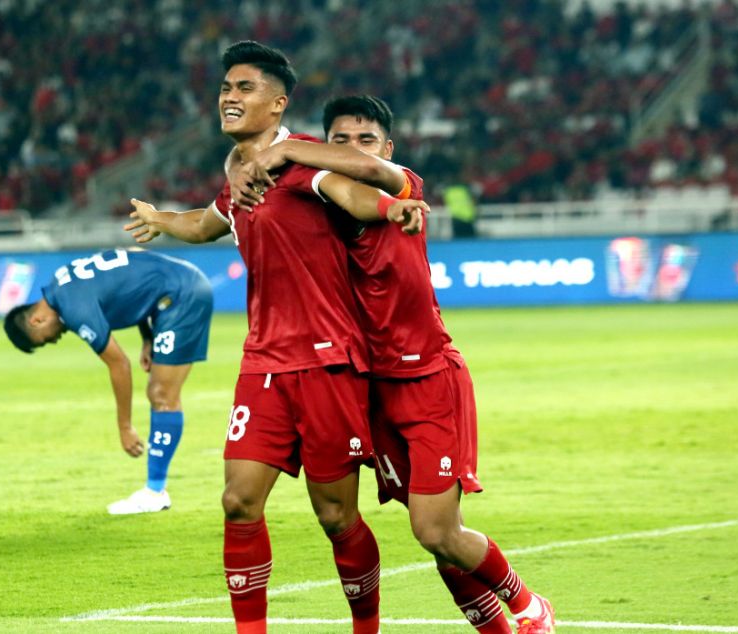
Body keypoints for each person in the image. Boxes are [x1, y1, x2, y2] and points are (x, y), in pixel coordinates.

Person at [124, 42, 425, 634]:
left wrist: (394, 209)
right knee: (237, 501)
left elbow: (360, 195)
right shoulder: (239, 176)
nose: (230, 98)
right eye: (225, 88)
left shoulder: (307, 167)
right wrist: (163, 220)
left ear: (278, 103)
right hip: (263, 363)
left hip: (327, 361)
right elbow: (207, 224)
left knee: (336, 517)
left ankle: (368, 628)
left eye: (245, 89)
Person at [231, 95, 555, 633]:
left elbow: (369, 173)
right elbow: (240, 199)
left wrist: (291, 147)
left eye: (366, 139)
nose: (354, 150)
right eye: (340, 139)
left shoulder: (401, 184)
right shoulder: (318, 209)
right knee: (433, 532)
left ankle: (527, 606)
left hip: (428, 378)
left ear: (388, 147)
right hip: (367, 388)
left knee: (436, 531)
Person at [3, 247, 213, 515]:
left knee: (161, 394)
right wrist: (148, 335)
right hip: (173, 291)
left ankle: (155, 492)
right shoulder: (61, 282)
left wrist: (125, 427)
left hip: (182, 294)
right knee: (158, 393)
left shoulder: (73, 307)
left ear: (36, 320)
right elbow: (133, 263)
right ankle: (155, 490)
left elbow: (119, 365)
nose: (55, 339)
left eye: (46, 339)